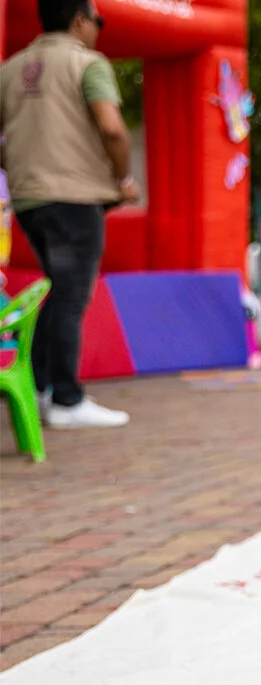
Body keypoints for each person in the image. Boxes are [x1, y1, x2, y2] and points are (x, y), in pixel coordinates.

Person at [0, 0, 140, 429]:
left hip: (28, 201)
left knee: (58, 292)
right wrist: (122, 180)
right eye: (97, 20)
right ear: (79, 20)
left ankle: (40, 389)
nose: (98, 28)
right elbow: (113, 129)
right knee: (71, 296)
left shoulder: (9, 69)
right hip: (75, 199)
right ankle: (66, 399)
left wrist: (23, 172)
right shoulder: (87, 63)